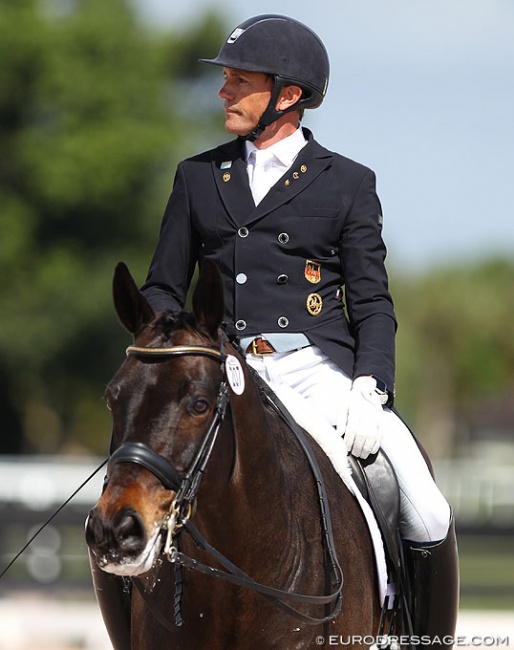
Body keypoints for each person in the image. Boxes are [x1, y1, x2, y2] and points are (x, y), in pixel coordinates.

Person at [95, 14, 459, 646]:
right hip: (224, 372)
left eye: (239, 81)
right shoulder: (198, 177)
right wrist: (170, 339)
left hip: (319, 375)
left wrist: (370, 388)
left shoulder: (347, 184)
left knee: (426, 506)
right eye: (226, 79)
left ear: (287, 96)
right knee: (118, 503)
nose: (223, 92)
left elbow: (373, 301)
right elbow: (162, 285)